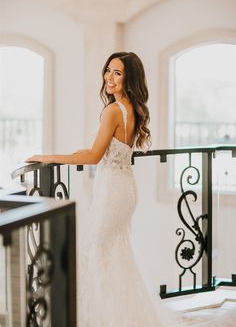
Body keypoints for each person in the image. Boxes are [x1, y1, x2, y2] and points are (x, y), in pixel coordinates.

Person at [26, 52, 236, 327]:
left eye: (117, 73)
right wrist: (81, 151)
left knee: (95, 251)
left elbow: (93, 157)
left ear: (128, 79)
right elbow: (101, 149)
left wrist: (49, 157)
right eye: (108, 71)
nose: (109, 78)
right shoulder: (129, 107)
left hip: (113, 190)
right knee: (115, 254)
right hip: (124, 188)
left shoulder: (113, 111)